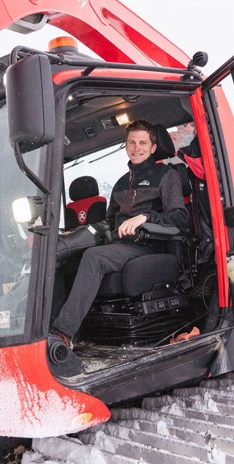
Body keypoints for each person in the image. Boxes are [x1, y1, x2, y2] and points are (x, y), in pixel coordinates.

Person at [50, 120, 189, 356]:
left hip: (148, 246)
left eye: (143, 142)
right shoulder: (121, 184)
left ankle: (63, 332)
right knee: (63, 260)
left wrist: (145, 218)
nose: (137, 147)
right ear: (126, 146)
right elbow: (110, 221)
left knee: (94, 257)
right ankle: (55, 326)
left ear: (153, 147)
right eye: (132, 142)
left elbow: (180, 218)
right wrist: (78, 234)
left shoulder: (167, 176)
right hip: (120, 247)